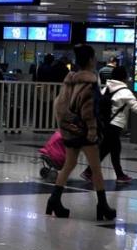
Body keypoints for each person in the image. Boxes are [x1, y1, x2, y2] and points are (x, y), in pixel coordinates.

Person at [45, 44, 116, 222]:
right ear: (91, 60)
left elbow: (59, 104)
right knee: (96, 169)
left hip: (69, 129)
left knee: (69, 164)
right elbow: (88, 111)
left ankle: (54, 200)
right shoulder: (89, 83)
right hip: (84, 131)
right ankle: (102, 206)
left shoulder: (70, 79)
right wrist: (92, 130)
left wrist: (65, 126)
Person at [99, 65, 137, 184]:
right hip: (115, 124)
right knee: (114, 150)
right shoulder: (125, 92)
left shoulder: (106, 89)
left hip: (105, 123)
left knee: (106, 149)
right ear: (124, 77)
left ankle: (90, 171)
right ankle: (119, 175)